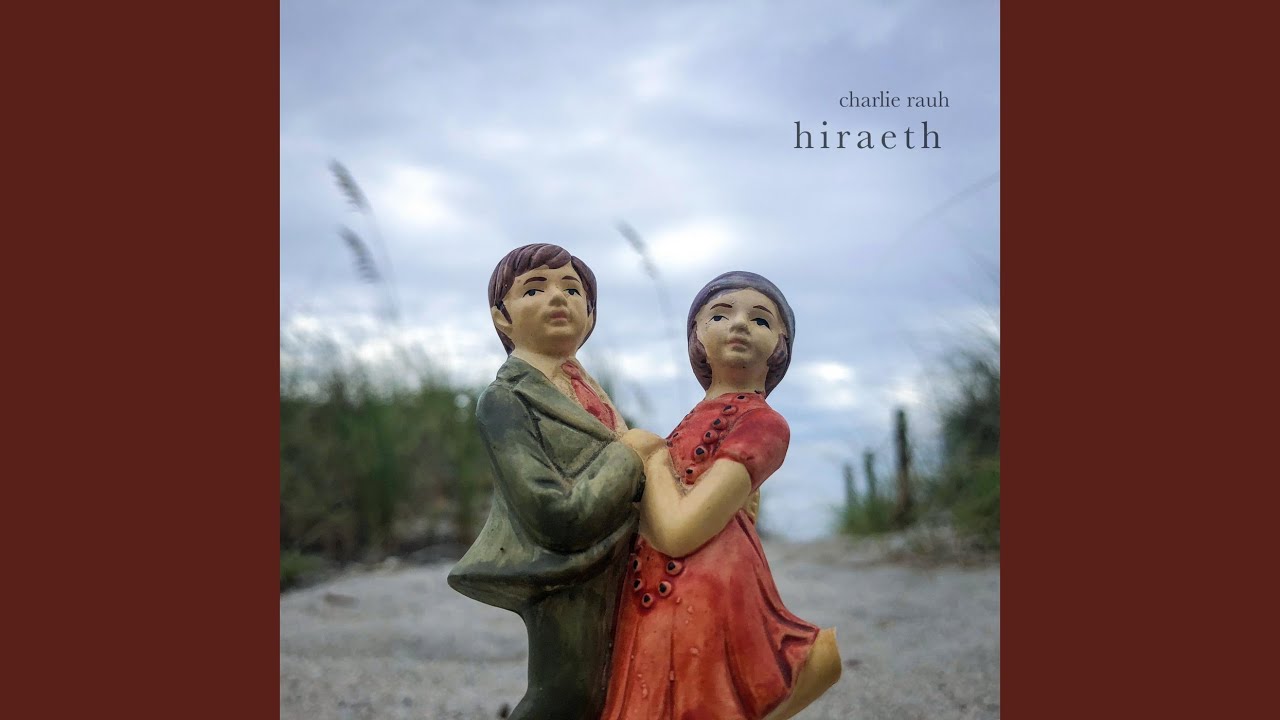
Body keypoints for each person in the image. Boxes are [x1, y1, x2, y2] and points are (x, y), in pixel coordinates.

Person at [601, 271, 842, 720]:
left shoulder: (764, 424)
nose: (740, 324)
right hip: (653, 590)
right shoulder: (693, 418)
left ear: (780, 346)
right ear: (697, 335)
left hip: (707, 591)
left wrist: (652, 456)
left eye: (761, 319)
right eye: (720, 315)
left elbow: (679, 532)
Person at [448, 243, 665, 720]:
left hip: (622, 564)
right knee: (567, 695)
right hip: (565, 574)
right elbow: (551, 516)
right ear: (502, 317)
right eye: (533, 289)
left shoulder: (588, 389)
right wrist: (629, 454)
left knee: (615, 690)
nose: (557, 297)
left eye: (572, 289)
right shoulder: (504, 400)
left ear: (591, 315)